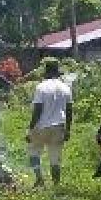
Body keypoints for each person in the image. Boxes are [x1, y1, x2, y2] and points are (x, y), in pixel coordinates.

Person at [26, 58, 73, 186]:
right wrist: (68, 129)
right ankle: (56, 184)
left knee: (34, 151)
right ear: (58, 73)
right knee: (55, 157)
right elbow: (69, 111)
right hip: (59, 126)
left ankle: (39, 179)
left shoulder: (41, 87)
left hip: (41, 126)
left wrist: (30, 129)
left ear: (46, 73)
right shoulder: (66, 88)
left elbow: (37, 110)